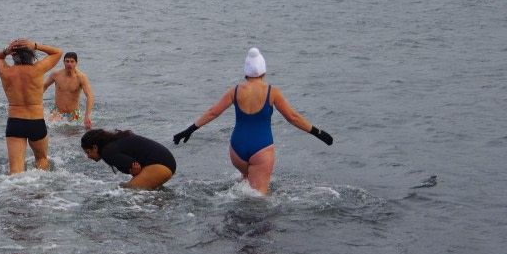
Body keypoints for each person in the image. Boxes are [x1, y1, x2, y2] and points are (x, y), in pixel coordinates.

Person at [172, 47, 333, 195]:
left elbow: (213, 112)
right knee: (259, 201)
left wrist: (190, 129)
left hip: (237, 151)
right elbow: (292, 117)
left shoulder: (235, 91)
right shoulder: (272, 92)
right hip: (261, 149)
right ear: (263, 71)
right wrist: (318, 133)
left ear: (246, 72)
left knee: (246, 183)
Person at [0, 39, 62, 173]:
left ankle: (16, 192)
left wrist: (6, 51)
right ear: (32, 55)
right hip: (36, 121)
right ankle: (40, 192)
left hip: (15, 122)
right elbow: (57, 53)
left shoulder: (6, 72)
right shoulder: (38, 69)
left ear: (13, 56)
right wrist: (36, 45)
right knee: (41, 159)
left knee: (15, 171)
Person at [81, 129, 176, 190]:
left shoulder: (107, 152)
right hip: (164, 163)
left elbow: (134, 166)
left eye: (88, 152)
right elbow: (135, 166)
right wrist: (134, 171)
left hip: (160, 167)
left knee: (126, 192)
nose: (88, 156)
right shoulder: (113, 143)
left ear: (95, 148)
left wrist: (133, 171)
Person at [43, 51, 94, 129]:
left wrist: (87, 115)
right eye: (67, 61)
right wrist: (35, 103)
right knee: (47, 127)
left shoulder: (81, 77)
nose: (69, 64)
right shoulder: (56, 74)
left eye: (72, 61)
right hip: (57, 112)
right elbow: (44, 87)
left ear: (76, 63)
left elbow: (90, 96)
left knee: (87, 128)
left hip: (74, 114)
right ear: (63, 62)